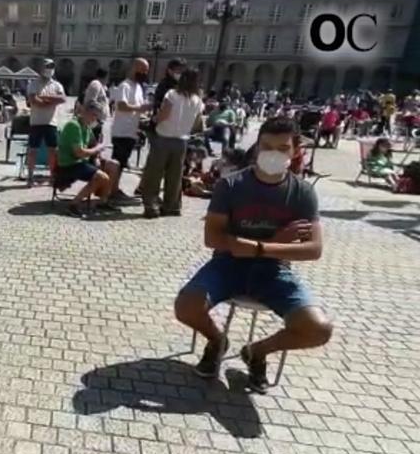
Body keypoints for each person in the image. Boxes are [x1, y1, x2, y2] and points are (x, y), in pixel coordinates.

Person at [174, 116, 332, 393]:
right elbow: (213, 238)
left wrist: (262, 247)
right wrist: (277, 240)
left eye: (282, 148)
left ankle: (257, 352)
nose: (273, 154)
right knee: (186, 306)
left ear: (295, 151)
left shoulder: (302, 193)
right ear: (257, 147)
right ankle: (217, 341)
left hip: (273, 271)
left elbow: (312, 249)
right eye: (267, 146)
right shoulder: (231, 185)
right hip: (227, 265)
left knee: (318, 328)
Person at [142, 68, 205, 218]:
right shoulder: (197, 100)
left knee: (154, 174)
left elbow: (164, 114)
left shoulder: (172, 94)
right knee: (175, 175)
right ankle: (172, 206)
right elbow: (198, 122)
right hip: (181, 140)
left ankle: (152, 206)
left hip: (163, 137)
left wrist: (155, 121)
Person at [55, 101, 121, 218]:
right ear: (85, 112)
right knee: (102, 177)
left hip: (81, 162)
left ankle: (103, 201)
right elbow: (79, 153)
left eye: (97, 116)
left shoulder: (86, 127)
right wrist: (97, 149)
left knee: (114, 165)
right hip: (69, 165)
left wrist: (98, 155)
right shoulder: (74, 126)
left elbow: (94, 144)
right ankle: (74, 204)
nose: (95, 119)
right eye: (94, 115)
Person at [110, 59, 150, 196]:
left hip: (131, 131)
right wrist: (140, 108)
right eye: (143, 69)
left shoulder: (139, 87)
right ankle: (111, 190)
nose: (145, 73)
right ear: (134, 68)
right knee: (117, 163)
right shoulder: (125, 86)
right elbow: (121, 105)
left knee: (122, 162)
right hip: (121, 131)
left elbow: (137, 108)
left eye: (146, 70)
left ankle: (114, 189)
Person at [26, 58, 66, 187]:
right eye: (47, 66)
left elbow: (62, 98)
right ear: (41, 68)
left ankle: (52, 176)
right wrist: (50, 102)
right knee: (33, 150)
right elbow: (33, 100)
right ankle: (30, 176)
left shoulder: (57, 85)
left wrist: (43, 98)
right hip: (36, 122)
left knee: (53, 151)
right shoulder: (33, 84)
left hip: (51, 122)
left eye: (51, 67)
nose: (49, 69)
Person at [83, 68, 110, 144]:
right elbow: (90, 101)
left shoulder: (101, 86)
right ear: (105, 77)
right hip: (93, 120)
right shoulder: (96, 84)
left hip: (97, 120)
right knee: (92, 143)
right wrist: (101, 109)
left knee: (96, 141)